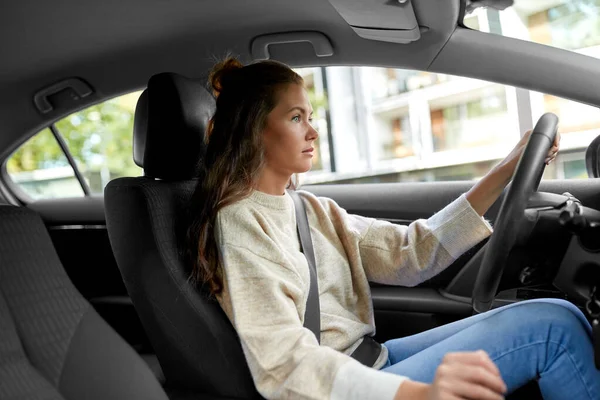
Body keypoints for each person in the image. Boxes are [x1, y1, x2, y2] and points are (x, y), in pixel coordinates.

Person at [186, 57, 600, 400]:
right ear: (253, 129)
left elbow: (412, 253)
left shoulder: (310, 208)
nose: (313, 130)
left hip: (368, 360)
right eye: (296, 117)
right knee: (554, 333)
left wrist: (508, 168)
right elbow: (283, 365)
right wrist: (414, 394)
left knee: (556, 314)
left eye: (310, 116)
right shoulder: (241, 222)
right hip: (332, 389)